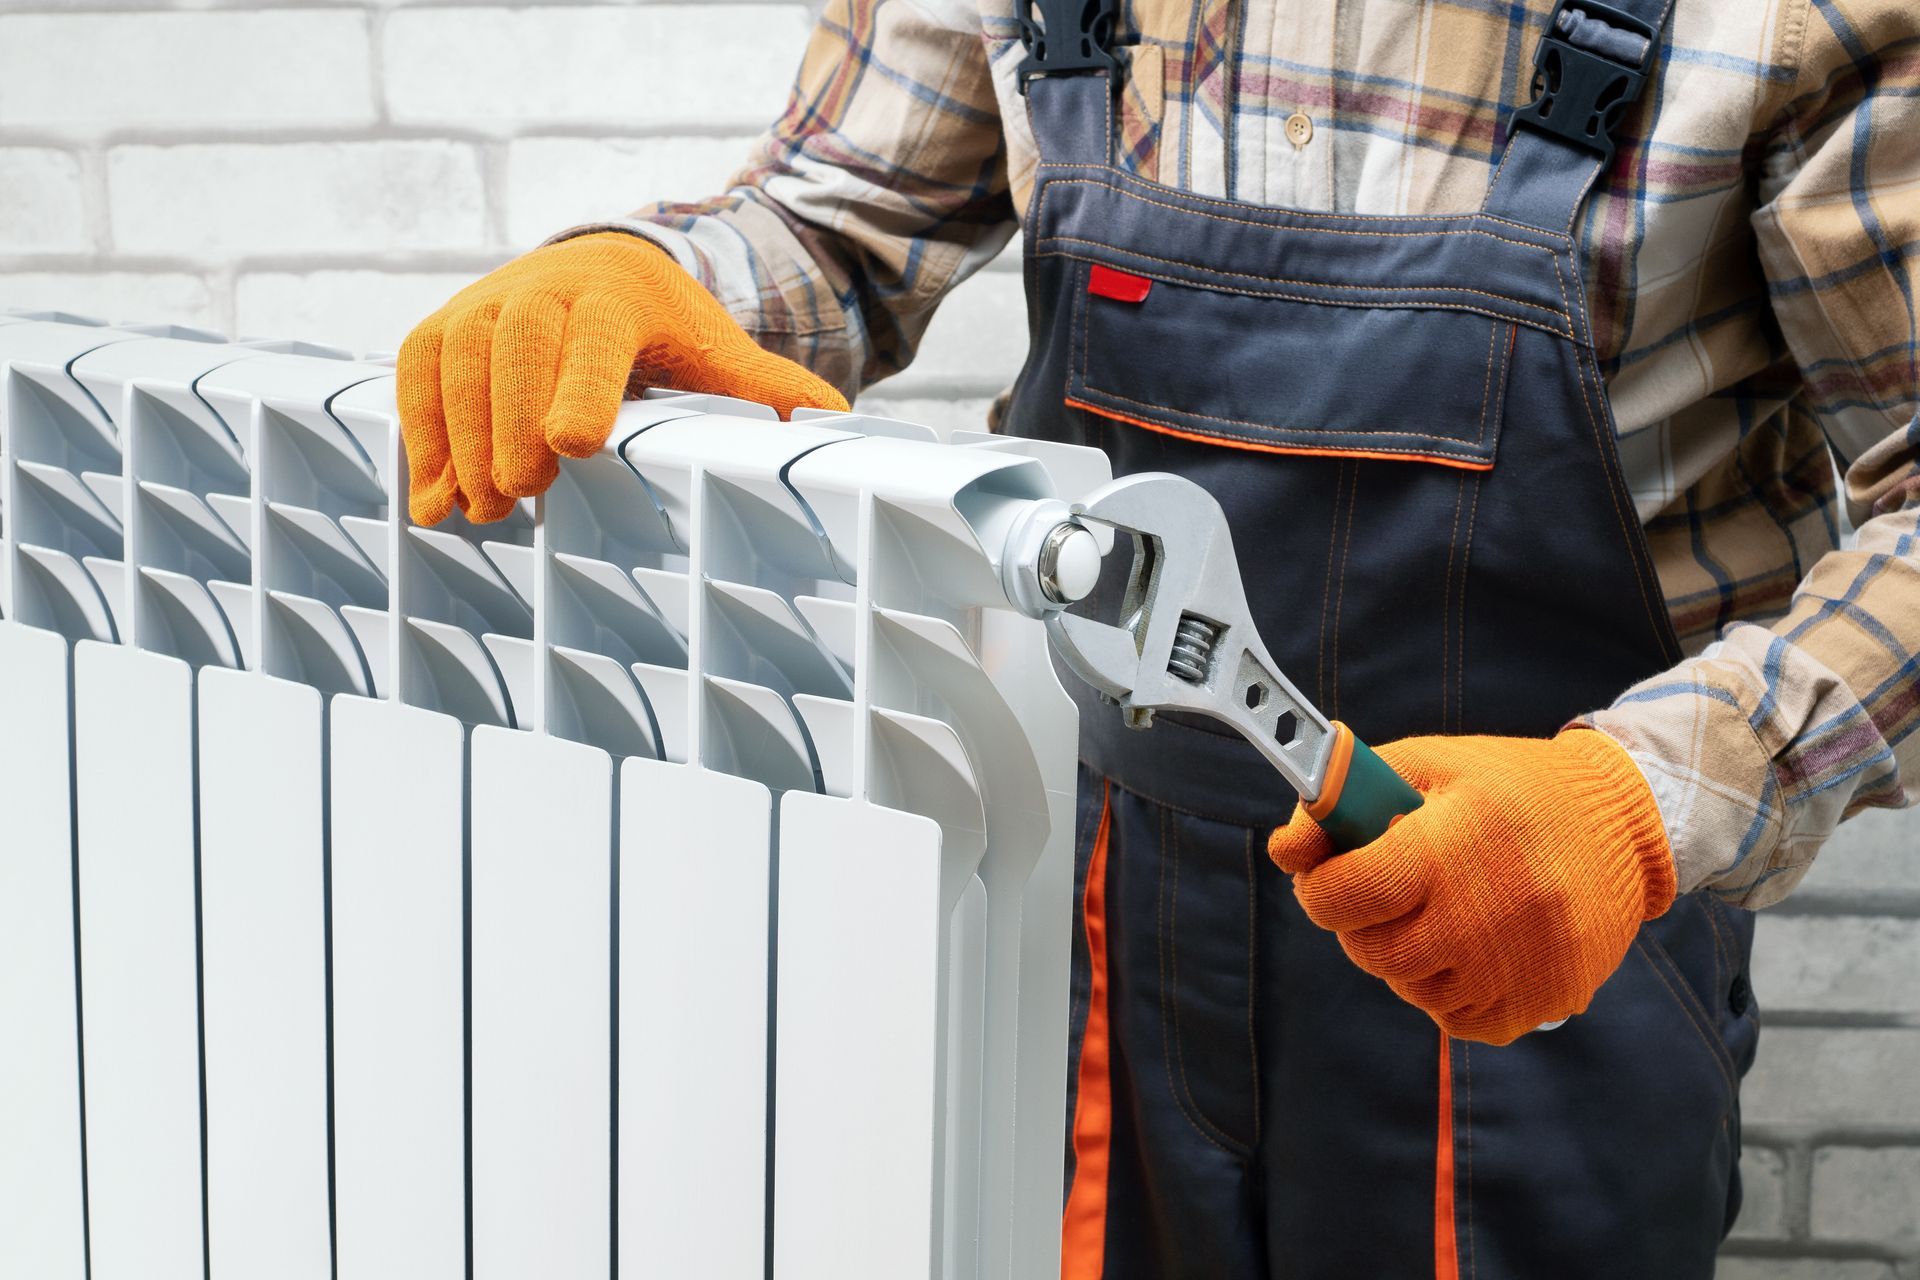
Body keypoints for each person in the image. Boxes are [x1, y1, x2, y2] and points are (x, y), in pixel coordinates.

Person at [396, 0, 1918, 1275]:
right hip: (1089, 921)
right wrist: (651, 277)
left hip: (1537, 940)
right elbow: (830, 223)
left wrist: (1644, 804)